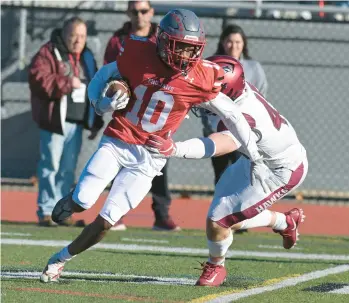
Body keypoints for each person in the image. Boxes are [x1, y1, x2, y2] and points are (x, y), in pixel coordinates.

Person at [39, 9, 272, 283]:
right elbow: (101, 77)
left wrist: (256, 155)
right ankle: (73, 199)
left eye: (191, 49)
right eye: (180, 47)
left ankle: (60, 259)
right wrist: (102, 105)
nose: (185, 55)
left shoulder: (201, 75)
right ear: (162, 41)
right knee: (82, 200)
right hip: (119, 140)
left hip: (150, 158)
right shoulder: (138, 52)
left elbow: (232, 114)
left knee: (107, 220)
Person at [145, 55, 308, 287]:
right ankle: (284, 222)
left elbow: (218, 144)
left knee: (218, 219)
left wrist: (176, 149)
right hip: (256, 158)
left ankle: (216, 266)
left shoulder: (243, 117)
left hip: (279, 170)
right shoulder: (238, 90)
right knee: (223, 212)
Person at [104, 0, 179, 231]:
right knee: (119, 160)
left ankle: (161, 214)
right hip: (128, 110)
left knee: (158, 162)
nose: (139, 15)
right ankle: (113, 214)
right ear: (128, 13)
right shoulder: (118, 39)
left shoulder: (163, 36)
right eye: (135, 11)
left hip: (157, 111)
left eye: (144, 11)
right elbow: (108, 71)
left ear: (151, 12)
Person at [28, 17, 104, 227]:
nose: (78, 40)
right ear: (63, 34)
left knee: (68, 169)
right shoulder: (48, 52)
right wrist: (66, 83)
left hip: (77, 123)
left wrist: (95, 122)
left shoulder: (87, 57)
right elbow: (37, 78)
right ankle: (45, 209)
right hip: (55, 121)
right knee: (49, 166)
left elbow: (95, 88)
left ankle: (61, 212)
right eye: (73, 35)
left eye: (82, 36)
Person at [202, 24, 268, 186]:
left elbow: (261, 96)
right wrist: (210, 125)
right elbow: (203, 97)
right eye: (229, 41)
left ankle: (240, 210)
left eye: (238, 42)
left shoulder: (253, 68)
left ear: (243, 44)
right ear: (223, 43)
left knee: (243, 175)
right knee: (222, 175)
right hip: (219, 128)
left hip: (245, 131)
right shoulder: (211, 66)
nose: (234, 46)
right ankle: (222, 210)